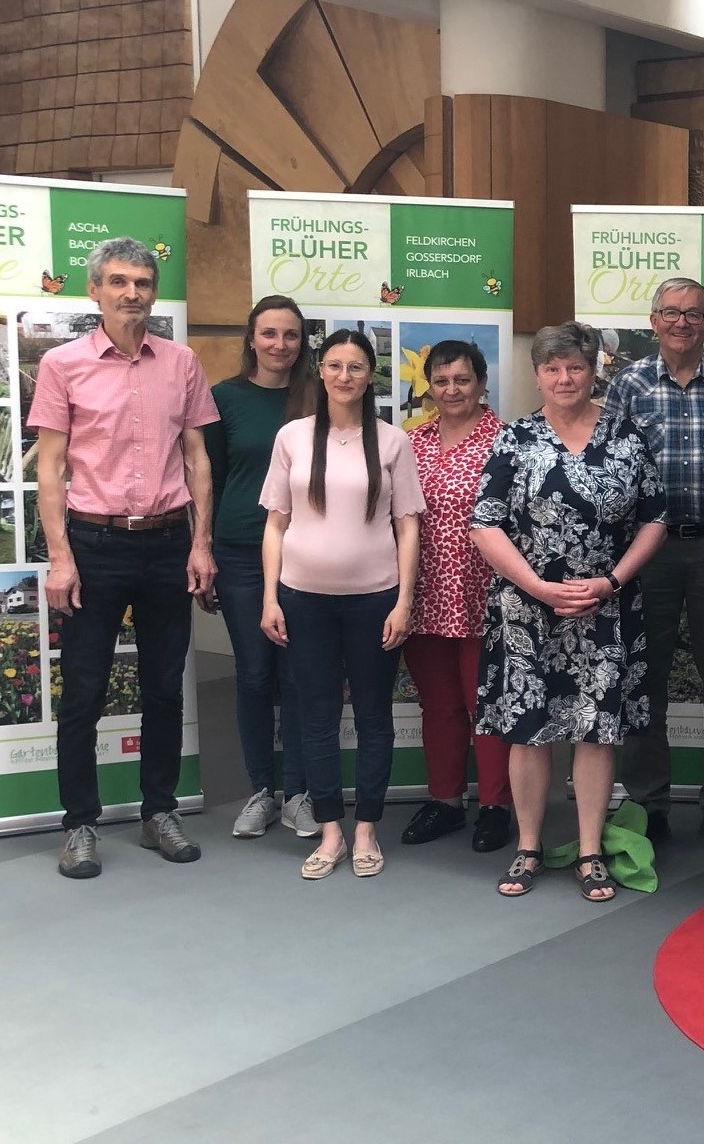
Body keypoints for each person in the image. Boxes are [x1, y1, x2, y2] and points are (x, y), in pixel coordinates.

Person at [30, 236, 219, 880]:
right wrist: (61, 558)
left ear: (153, 290)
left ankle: (157, 812)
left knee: (164, 688)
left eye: (141, 281)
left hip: (168, 542)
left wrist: (200, 543)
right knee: (83, 692)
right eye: (118, 281)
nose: (131, 292)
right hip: (95, 544)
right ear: (95, 291)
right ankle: (80, 823)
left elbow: (196, 456)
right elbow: (51, 468)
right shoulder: (63, 365)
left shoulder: (182, 362)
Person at [473, 323, 667, 903]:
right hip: (528, 610)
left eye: (576, 367)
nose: (564, 378)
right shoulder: (515, 440)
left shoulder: (626, 436)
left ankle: (589, 850)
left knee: (595, 731)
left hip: (604, 608)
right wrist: (536, 585)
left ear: (592, 372)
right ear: (536, 375)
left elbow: (655, 518)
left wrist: (611, 581)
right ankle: (528, 846)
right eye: (552, 368)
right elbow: (486, 522)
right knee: (528, 730)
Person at [260, 329, 425, 880]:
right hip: (303, 599)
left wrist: (404, 601)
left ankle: (365, 829)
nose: (345, 376)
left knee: (375, 717)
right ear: (320, 371)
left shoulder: (393, 441)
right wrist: (270, 596)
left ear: (369, 375)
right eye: (335, 366)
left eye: (356, 367)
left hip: (374, 600)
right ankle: (330, 828)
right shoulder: (293, 437)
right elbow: (276, 523)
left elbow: (407, 526)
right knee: (317, 717)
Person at [603, 277, 704, 852]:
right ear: (653, 321)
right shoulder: (627, 384)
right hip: (647, 549)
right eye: (669, 312)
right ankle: (648, 802)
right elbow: (608, 463)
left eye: (692, 313)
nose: (681, 322)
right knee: (645, 680)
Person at [207, 294, 317, 840]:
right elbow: (210, 481)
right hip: (240, 553)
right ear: (251, 338)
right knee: (254, 674)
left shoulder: (318, 398)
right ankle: (260, 791)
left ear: (303, 342)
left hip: (306, 554)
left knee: (298, 675)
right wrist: (200, 548)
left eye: (291, 335)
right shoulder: (223, 398)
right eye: (269, 333)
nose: (279, 345)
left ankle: (298, 792)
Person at [397, 339, 514, 853]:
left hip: (487, 595)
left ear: (482, 384)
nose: (451, 390)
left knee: (486, 704)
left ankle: (496, 805)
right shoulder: (412, 444)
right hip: (422, 594)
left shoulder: (507, 443)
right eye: (440, 381)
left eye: (461, 380)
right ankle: (444, 800)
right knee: (440, 705)